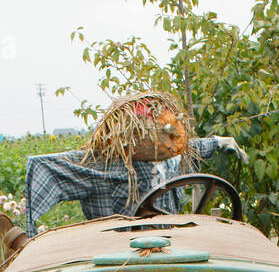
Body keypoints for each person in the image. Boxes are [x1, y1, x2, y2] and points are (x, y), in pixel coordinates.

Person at [24, 91, 246, 235]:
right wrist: (31, 232)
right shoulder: (99, 165)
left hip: (172, 244)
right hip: (117, 255)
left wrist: (217, 143)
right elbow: (47, 166)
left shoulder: (171, 160)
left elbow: (193, 149)